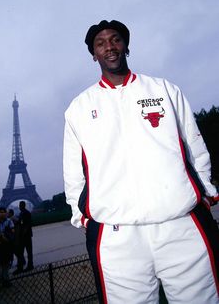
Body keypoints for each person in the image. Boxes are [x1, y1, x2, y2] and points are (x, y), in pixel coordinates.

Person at [63, 20, 219, 304]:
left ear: (126, 46)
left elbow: (194, 143)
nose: (109, 46)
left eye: (116, 39)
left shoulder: (164, 89)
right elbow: (74, 170)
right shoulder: (79, 107)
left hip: (181, 224)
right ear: (93, 54)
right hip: (117, 237)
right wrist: (82, 215)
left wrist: (206, 193)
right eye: (101, 43)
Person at [13, 201, 34, 274]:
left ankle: (22, 267)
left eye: (20, 205)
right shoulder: (22, 213)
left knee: (22, 252)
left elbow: (27, 224)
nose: (19, 206)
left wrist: (22, 234)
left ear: (23, 206)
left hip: (25, 236)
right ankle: (27, 266)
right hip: (25, 235)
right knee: (26, 252)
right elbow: (21, 222)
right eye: (19, 205)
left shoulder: (25, 213)